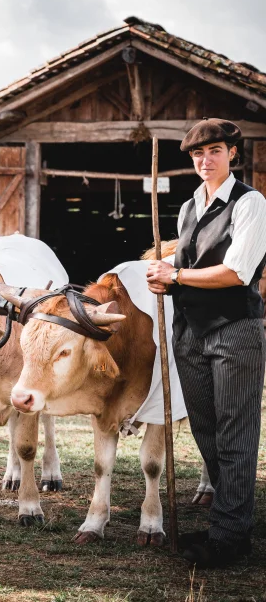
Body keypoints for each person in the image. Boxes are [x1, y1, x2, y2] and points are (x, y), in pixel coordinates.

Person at [147, 118, 266, 568]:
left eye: (214, 150)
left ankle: (230, 538)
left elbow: (237, 273)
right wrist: (164, 279)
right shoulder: (188, 208)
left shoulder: (250, 203)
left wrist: (175, 275)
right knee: (206, 430)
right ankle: (228, 522)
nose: (205, 160)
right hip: (190, 332)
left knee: (236, 433)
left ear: (232, 153)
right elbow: (185, 267)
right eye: (197, 154)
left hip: (235, 330)